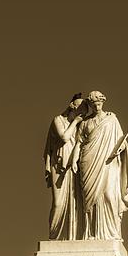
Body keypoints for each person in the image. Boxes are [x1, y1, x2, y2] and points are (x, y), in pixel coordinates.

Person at [74, 91, 128, 240]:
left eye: (99, 104)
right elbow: (79, 143)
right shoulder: (85, 123)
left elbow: (122, 140)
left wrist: (121, 148)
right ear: (90, 105)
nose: (97, 107)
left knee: (109, 195)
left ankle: (112, 233)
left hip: (108, 161)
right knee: (89, 200)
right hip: (88, 161)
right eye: (94, 105)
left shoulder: (112, 119)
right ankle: (90, 233)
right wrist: (74, 160)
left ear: (103, 103)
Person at [43, 94, 87, 240]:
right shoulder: (58, 120)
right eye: (79, 107)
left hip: (74, 166)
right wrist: (75, 122)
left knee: (76, 202)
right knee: (58, 203)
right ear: (72, 106)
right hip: (59, 165)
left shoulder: (81, 124)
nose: (82, 112)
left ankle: (73, 236)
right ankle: (54, 236)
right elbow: (64, 137)